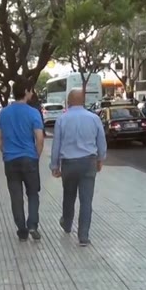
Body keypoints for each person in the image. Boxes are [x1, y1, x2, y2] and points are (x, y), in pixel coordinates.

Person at [50, 89, 107, 246]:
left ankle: (67, 224)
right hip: (89, 162)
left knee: (69, 196)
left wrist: (54, 165)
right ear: (83, 101)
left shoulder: (62, 119)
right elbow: (101, 141)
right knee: (86, 200)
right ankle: (83, 236)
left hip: (69, 163)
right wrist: (100, 159)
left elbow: (56, 144)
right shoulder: (94, 118)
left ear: (68, 102)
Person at [0, 79, 45, 241]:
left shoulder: (3, 113)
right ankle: (32, 225)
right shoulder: (33, 113)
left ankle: (21, 230)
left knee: (16, 196)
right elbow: (39, 138)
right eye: (31, 90)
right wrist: (36, 156)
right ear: (25, 91)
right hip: (29, 158)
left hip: (10, 160)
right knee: (33, 193)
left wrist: (6, 153)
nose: (32, 93)